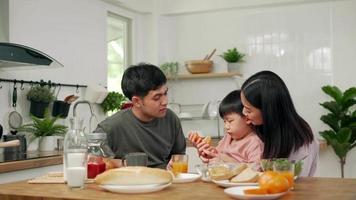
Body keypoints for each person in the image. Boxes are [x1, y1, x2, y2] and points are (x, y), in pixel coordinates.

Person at [95, 63, 186, 169]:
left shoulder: (171, 118)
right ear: (136, 101)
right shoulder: (111, 127)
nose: (165, 102)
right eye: (157, 97)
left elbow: (179, 157)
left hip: (164, 181)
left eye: (165, 93)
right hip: (129, 182)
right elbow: (93, 160)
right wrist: (125, 164)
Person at [240, 70, 319, 177]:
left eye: (248, 110)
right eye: (243, 107)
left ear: (268, 111)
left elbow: (292, 182)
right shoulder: (261, 128)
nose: (243, 113)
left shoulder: (300, 141)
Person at [188, 90, 264, 166]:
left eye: (230, 121)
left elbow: (256, 169)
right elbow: (216, 156)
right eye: (224, 122)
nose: (226, 126)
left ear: (247, 118)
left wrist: (231, 164)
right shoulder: (228, 137)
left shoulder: (254, 142)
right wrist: (206, 151)